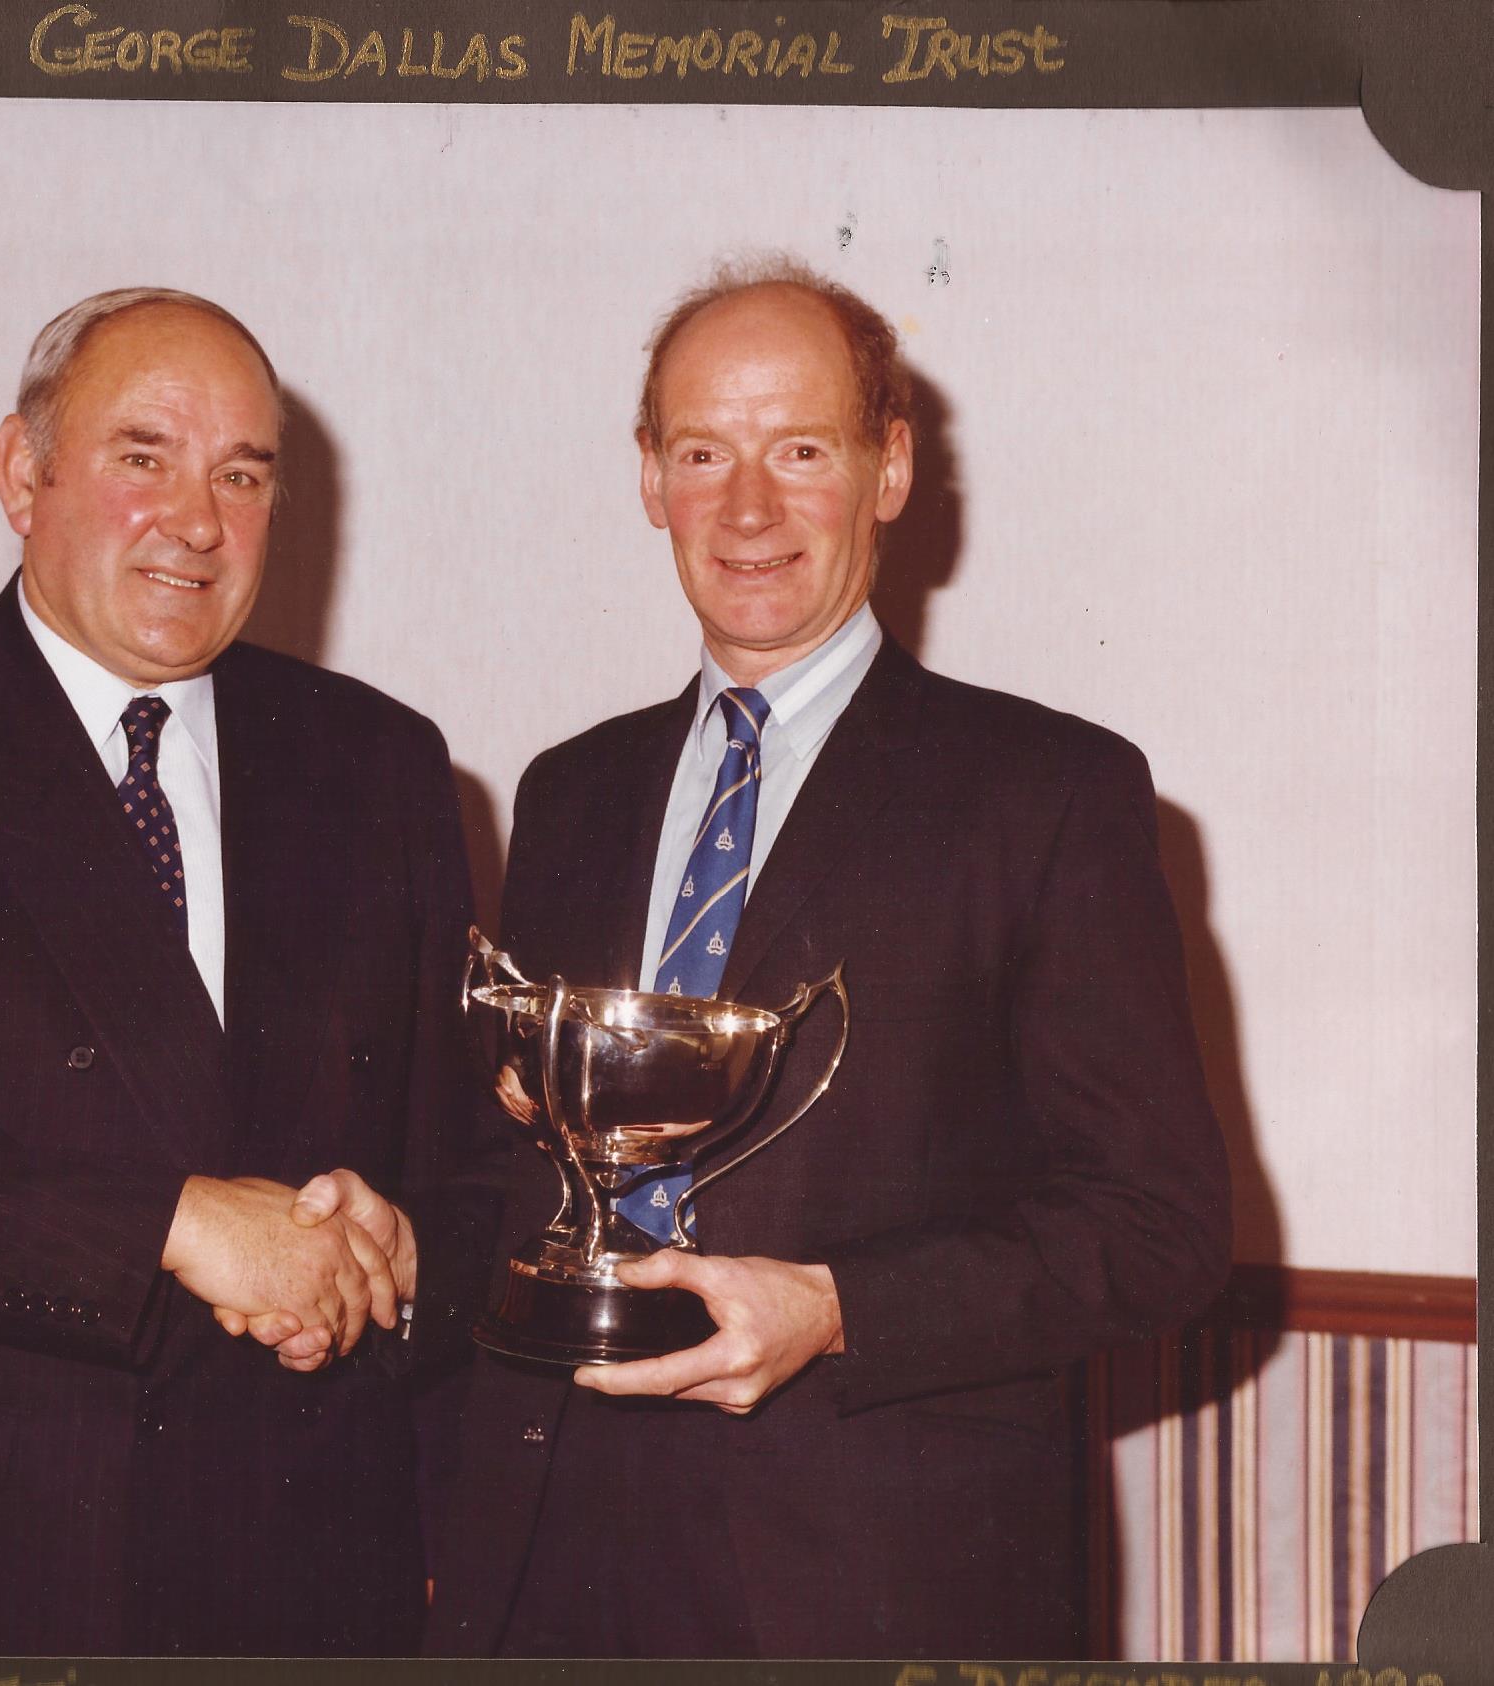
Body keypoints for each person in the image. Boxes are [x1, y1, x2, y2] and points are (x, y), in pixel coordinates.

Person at [425, 256, 1231, 1658]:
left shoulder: (1044, 793)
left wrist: (837, 1310)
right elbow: (513, 1173)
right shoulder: (567, 790)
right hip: (549, 1561)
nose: (746, 508)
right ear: (646, 477)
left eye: (798, 449)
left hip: (871, 1579)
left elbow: (1158, 1230)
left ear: (890, 469)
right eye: (701, 452)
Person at [0, 287, 498, 1656]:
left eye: (241, 476)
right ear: (23, 472)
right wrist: (172, 1226)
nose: (196, 519)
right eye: (144, 456)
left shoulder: (381, 766)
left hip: (304, 1590)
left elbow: (474, 1168)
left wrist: (402, 1255)